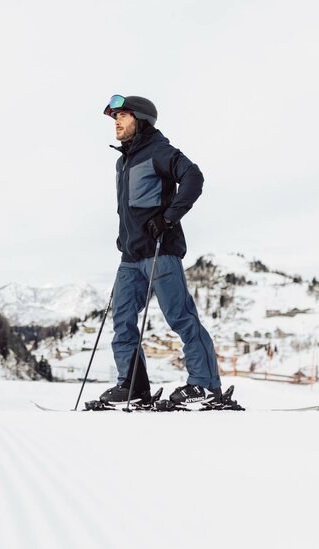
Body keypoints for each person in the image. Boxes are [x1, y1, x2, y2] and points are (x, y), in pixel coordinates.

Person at [99, 94, 221, 407]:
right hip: (130, 257)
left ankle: (204, 386)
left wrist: (168, 218)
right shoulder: (122, 160)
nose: (117, 123)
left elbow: (194, 177)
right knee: (123, 322)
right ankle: (133, 386)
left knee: (180, 317)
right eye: (115, 118)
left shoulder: (159, 151)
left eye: (123, 116)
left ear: (140, 119)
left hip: (160, 251)